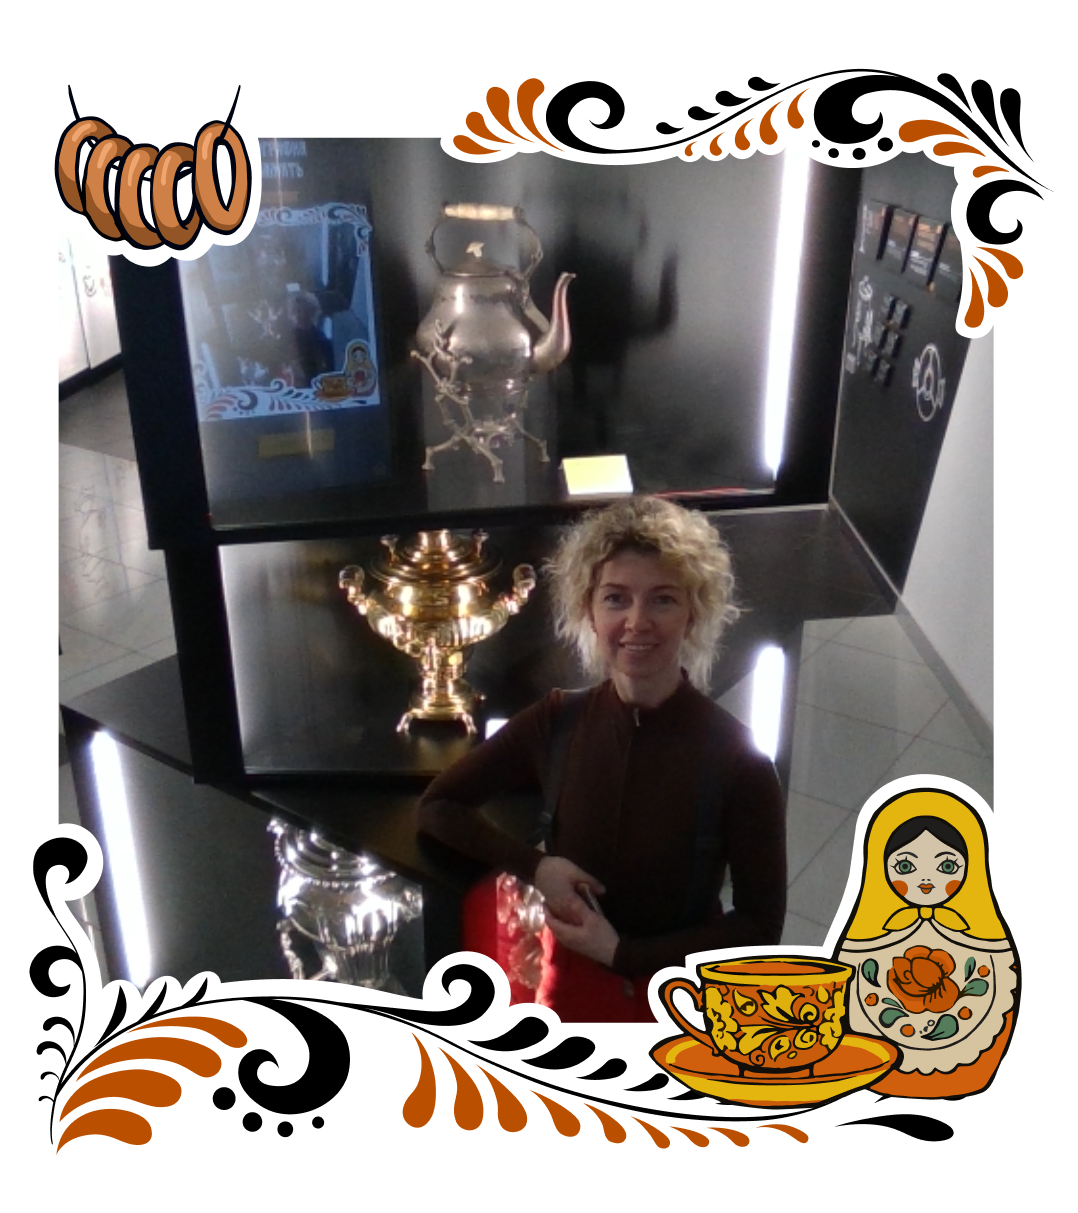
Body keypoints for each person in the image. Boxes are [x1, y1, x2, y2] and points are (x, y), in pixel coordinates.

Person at [418, 496, 787, 1022]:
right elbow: (439, 807)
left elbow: (760, 926)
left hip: (681, 999)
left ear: (693, 612)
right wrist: (537, 866)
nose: (637, 622)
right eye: (616, 599)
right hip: (570, 991)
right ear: (589, 611)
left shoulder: (739, 760)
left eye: (662, 600)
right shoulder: (556, 720)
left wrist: (622, 954)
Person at [836, 789, 1019, 1098]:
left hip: (970, 1071)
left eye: (946, 867)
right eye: (905, 867)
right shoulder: (866, 940)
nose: (925, 881)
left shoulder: (989, 944)